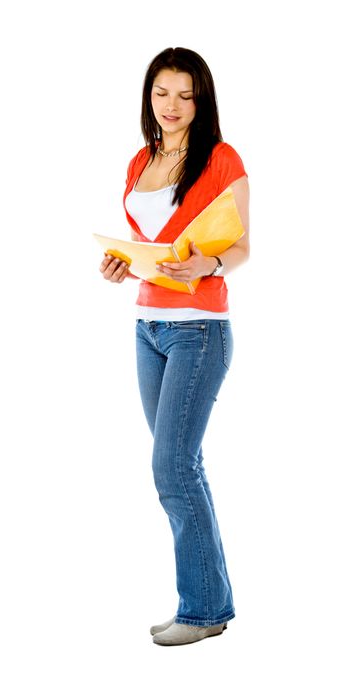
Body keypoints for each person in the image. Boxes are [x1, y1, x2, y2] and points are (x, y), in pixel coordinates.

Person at [99, 47, 250, 646]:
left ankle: (202, 608)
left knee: (172, 467)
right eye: (163, 92)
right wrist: (120, 265)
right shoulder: (141, 160)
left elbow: (240, 247)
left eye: (186, 95)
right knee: (182, 466)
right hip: (148, 327)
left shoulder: (220, 158)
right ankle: (209, 602)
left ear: (201, 100)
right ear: (149, 96)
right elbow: (149, 249)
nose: (173, 105)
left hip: (199, 329)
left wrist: (208, 263)